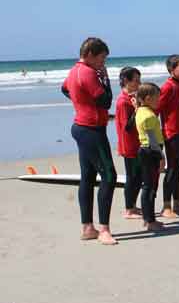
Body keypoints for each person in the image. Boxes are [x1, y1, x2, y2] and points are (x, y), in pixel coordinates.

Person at [61, 37, 117, 245]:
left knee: (88, 177)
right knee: (109, 176)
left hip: (81, 126)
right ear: (91, 54)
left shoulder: (74, 70)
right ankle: (104, 230)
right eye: (102, 58)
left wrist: (84, 105)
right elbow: (106, 100)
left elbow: (65, 89)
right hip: (92, 131)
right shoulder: (89, 72)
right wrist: (106, 79)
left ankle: (87, 228)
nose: (104, 63)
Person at [158, 54, 179, 218]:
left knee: (178, 169)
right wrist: (157, 139)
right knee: (170, 169)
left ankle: (178, 203)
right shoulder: (167, 87)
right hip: (170, 134)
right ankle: (166, 206)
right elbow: (155, 110)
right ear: (172, 70)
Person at [136, 83, 166, 231]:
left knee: (148, 186)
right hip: (151, 151)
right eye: (157, 97)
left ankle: (148, 218)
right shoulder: (148, 115)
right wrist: (161, 157)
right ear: (147, 98)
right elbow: (153, 140)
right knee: (150, 187)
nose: (159, 100)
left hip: (146, 150)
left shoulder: (140, 111)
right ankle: (149, 221)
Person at [115, 67, 143, 219]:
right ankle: (128, 209)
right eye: (136, 80)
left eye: (140, 80)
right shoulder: (123, 101)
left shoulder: (131, 98)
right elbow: (128, 126)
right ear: (126, 81)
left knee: (138, 176)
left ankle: (132, 205)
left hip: (137, 142)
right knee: (132, 177)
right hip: (129, 145)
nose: (139, 83)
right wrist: (138, 109)